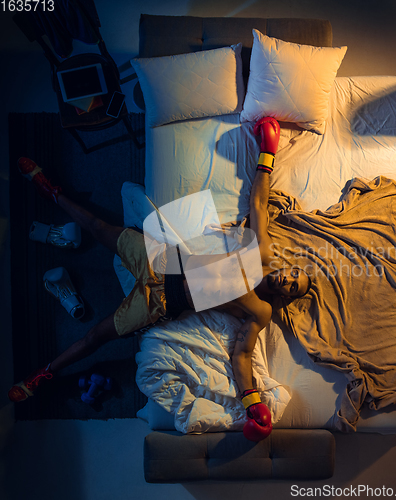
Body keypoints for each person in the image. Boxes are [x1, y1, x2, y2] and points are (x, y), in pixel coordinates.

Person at [9, 117, 311, 441]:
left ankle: (44, 373)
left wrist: (251, 401)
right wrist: (268, 151)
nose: (289, 281)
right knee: (98, 228)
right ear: (287, 266)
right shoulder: (259, 251)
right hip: (163, 262)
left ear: (286, 297)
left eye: (294, 288)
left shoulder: (260, 311)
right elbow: (258, 203)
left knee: (96, 335)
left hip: (160, 303)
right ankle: (51, 191)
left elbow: (241, 355)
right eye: (295, 274)